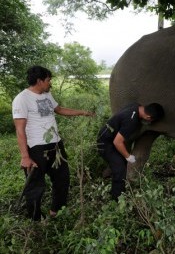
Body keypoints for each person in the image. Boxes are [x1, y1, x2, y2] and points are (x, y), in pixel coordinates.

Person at [12, 65, 94, 221]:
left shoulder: (47, 95)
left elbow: (60, 109)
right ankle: (36, 219)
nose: (50, 83)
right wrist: (25, 156)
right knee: (36, 186)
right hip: (36, 148)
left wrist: (83, 112)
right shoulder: (22, 99)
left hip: (56, 145)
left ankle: (56, 211)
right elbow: (20, 129)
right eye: (48, 80)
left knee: (63, 179)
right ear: (39, 80)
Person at [97, 102, 164, 200]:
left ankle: (110, 178)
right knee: (120, 169)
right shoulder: (132, 122)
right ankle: (117, 200)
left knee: (119, 163)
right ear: (148, 117)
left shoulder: (135, 106)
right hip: (106, 143)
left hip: (107, 136)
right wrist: (128, 156)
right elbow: (117, 142)